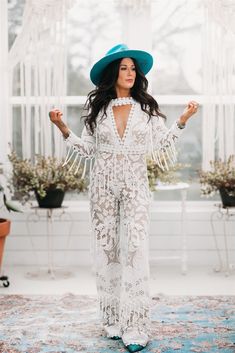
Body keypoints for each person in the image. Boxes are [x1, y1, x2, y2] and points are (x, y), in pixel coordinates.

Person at [49, 43, 198, 352]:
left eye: (133, 68)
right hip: (101, 187)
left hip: (135, 187)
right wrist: (62, 126)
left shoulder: (145, 109)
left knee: (135, 251)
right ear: (112, 74)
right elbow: (88, 150)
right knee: (107, 253)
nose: (130, 73)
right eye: (124, 68)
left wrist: (182, 120)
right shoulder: (99, 110)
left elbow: (161, 144)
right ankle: (113, 319)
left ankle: (136, 325)